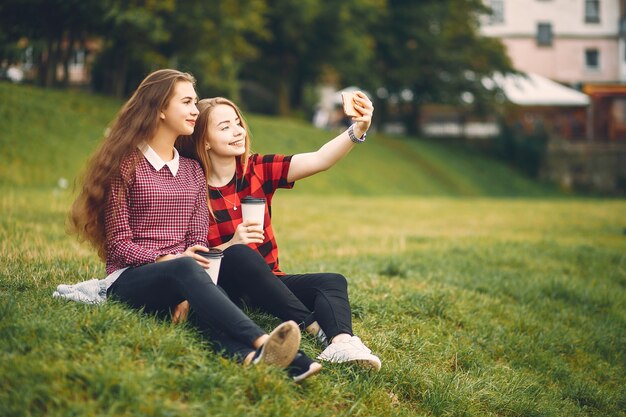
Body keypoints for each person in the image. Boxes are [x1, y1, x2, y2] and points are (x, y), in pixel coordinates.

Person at [68, 69, 322, 382]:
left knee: (207, 280)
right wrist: (167, 261)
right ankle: (264, 342)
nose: (194, 110)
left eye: (195, 102)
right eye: (187, 102)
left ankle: (258, 359)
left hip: (182, 275)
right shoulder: (126, 166)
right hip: (130, 278)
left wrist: (187, 288)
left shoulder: (192, 171)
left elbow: (196, 239)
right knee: (187, 268)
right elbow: (119, 246)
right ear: (161, 109)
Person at [175, 94, 382, 370]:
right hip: (225, 287)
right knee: (239, 253)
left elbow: (320, 159)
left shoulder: (256, 169)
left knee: (332, 281)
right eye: (224, 127)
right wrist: (231, 243)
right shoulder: (189, 186)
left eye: (237, 123)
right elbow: (187, 258)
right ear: (204, 140)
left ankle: (342, 342)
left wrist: (358, 129)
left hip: (269, 282)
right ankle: (315, 329)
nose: (237, 131)